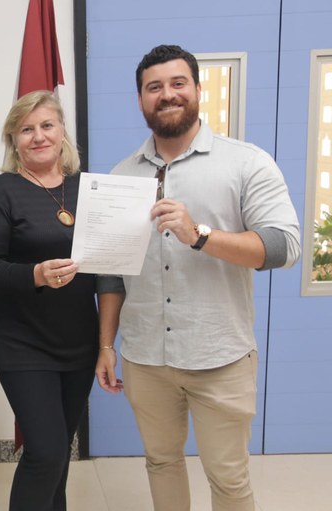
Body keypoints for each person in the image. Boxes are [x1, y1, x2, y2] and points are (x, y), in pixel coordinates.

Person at [95, 44, 301, 511]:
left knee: (228, 478)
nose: (166, 95)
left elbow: (284, 247)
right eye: (154, 87)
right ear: (141, 99)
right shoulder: (122, 176)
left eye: (177, 83)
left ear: (197, 90)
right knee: (160, 462)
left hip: (220, 355)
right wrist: (107, 346)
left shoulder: (246, 163)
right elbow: (111, 274)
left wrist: (201, 235)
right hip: (146, 359)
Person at [0, 90, 109, 511]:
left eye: (46, 125)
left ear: (62, 130)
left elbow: (110, 268)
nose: (38, 136)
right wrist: (36, 274)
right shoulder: (0, 192)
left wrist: (105, 346)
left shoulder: (90, 188)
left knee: (58, 453)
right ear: (13, 139)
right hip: (21, 342)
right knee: (45, 452)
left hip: (78, 342)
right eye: (26, 129)